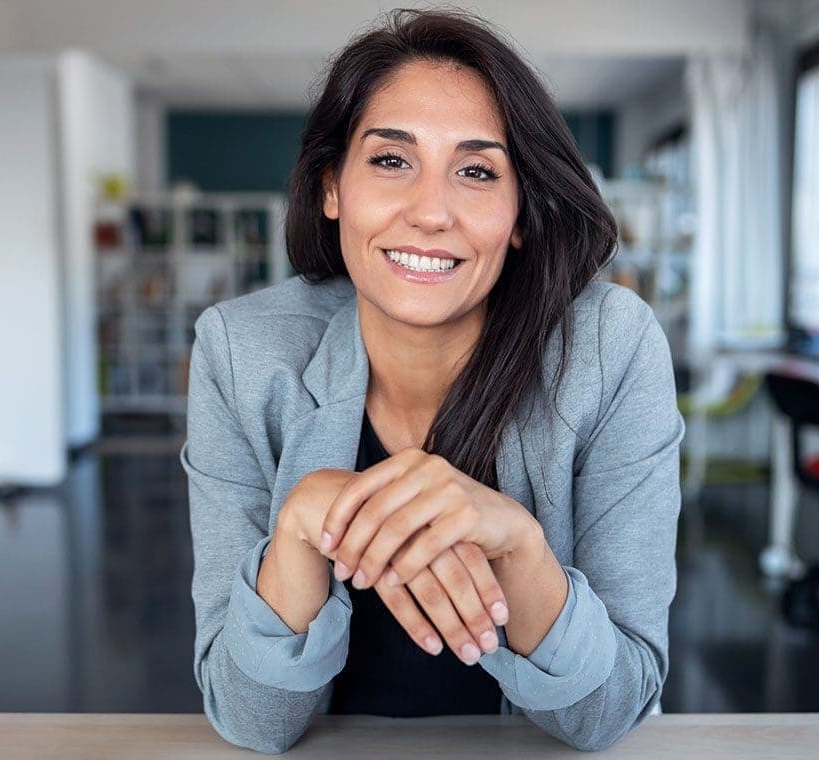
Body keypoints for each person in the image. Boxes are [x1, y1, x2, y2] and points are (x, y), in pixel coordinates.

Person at [181, 9, 683, 754]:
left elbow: (612, 711)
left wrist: (521, 551)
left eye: (477, 171)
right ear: (331, 187)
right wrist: (296, 532)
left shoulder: (612, 348)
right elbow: (249, 719)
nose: (430, 212)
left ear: (519, 215)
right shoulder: (241, 351)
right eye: (391, 161)